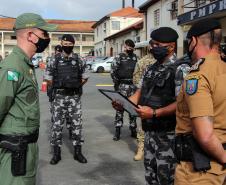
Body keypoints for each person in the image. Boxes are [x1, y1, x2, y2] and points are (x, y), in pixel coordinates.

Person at [113, 27, 186, 185]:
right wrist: (123, 103)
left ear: (171, 46)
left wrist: (155, 113)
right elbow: (139, 93)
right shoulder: (151, 69)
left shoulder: (181, 69)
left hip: (168, 136)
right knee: (150, 176)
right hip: (150, 133)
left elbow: (183, 103)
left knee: (167, 179)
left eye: (156, 44)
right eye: (151, 44)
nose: (152, 47)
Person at [0, 13, 57, 185]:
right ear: (31, 36)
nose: (47, 38)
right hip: (14, 151)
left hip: (25, 148)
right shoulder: (12, 67)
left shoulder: (25, 65)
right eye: (45, 34)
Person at [174, 18, 226, 185]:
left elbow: (204, 135)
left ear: (194, 41)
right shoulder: (223, 68)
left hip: (201, 171)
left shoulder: (198, 76)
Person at [44, 34, 88, 165]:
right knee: (57, 126)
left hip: (74, 97)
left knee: (76, 125)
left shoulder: (79, 59)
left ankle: (78, 152)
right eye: (65, 44)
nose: (67, 46)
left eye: (70, 44)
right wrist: (59, 86)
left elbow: (85, 77)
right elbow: (48, 78)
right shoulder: (54, 60)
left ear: (73, 45)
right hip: (59, 97)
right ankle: (56, 154)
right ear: (61, 44)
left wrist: (75, 85)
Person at [110, 39, 138, 141]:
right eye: (128, 47)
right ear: (124, 46)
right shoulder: (119, 57)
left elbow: (138, 72)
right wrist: (117, 85)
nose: (129, 49)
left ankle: (133, 129)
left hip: (133, 86)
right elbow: (113, 71)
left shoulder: (135, 57)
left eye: (131, 47)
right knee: (119, 108)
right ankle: (117, 131)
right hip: (122, 86)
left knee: (132, 108)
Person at [132, 53, 156, 161]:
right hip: (145, 98)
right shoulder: (142, 62)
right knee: (142, 127)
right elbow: (136, 80)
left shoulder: (173, 63)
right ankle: (141, 149)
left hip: (162, 101)